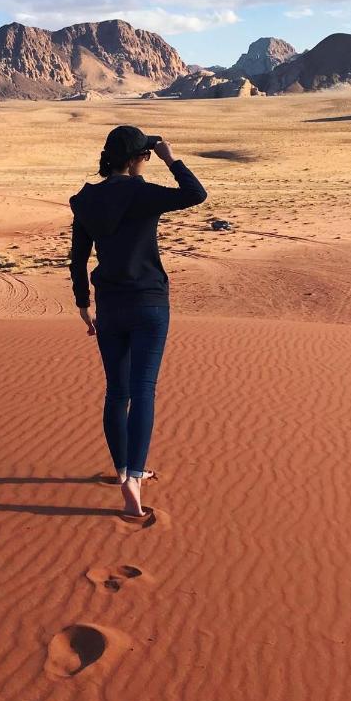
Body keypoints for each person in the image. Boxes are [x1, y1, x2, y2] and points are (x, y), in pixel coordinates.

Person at [68, 125, 208, 517]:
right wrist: (171, 158)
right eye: (144, 156)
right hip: (149, 303)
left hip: (109, 305)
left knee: (117, 391)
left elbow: (78, 258)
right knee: (143, 390)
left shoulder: (85, 200)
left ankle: (121, 470)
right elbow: (196, 194)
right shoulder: (142, 192)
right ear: (135, 159)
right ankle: (134, 476)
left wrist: (82, 302)